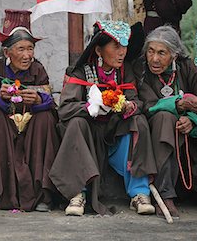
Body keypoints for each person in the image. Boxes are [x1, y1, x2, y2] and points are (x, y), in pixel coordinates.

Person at [49, 20, 157, 216]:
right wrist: (92, 107)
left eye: (124, 46)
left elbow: (137, 101)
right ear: (99, 51)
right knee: (75, 122)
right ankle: (77, 193)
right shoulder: (81, 72)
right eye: (116, 46)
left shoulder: (126, 72)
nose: (122, 52)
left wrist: (128, 106)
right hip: (88, 134)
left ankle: (139, 193)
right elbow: (65, 108)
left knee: (138, 121)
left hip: (114, 132)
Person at [0, 9, 59, 212]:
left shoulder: (38, 70)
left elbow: (51, 102)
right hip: (6, 125)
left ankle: (43, 193)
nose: (27, 55)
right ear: (7, 52)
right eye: (21, 49)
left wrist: (38, 100)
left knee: (45, 119)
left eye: (30, 48)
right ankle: (2, 193)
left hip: (31, 125)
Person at [133, 26, 197, 219]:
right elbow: (148, 105)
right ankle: (164, 195)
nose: (154, 59)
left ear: (174, 55)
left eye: (161, 53)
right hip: (154, 131)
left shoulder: (186, 67)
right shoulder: (140, 69)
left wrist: (192, 120)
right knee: (165, 118)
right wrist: (178, 104)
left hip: (187, 133)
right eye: (151, 51)